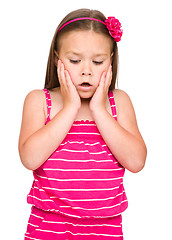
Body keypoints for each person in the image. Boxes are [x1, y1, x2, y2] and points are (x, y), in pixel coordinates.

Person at [18, 8, 147, 240]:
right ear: (58, 58)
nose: (86, 71)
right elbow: (30, 158)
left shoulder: (118, 102)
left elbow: (136, 162)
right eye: (75, 60)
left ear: (111, 61)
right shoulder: (40, 101)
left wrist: (99, 109)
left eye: (98, 62)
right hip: (49, 228)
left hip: (105, 230)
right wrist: (70, 108)